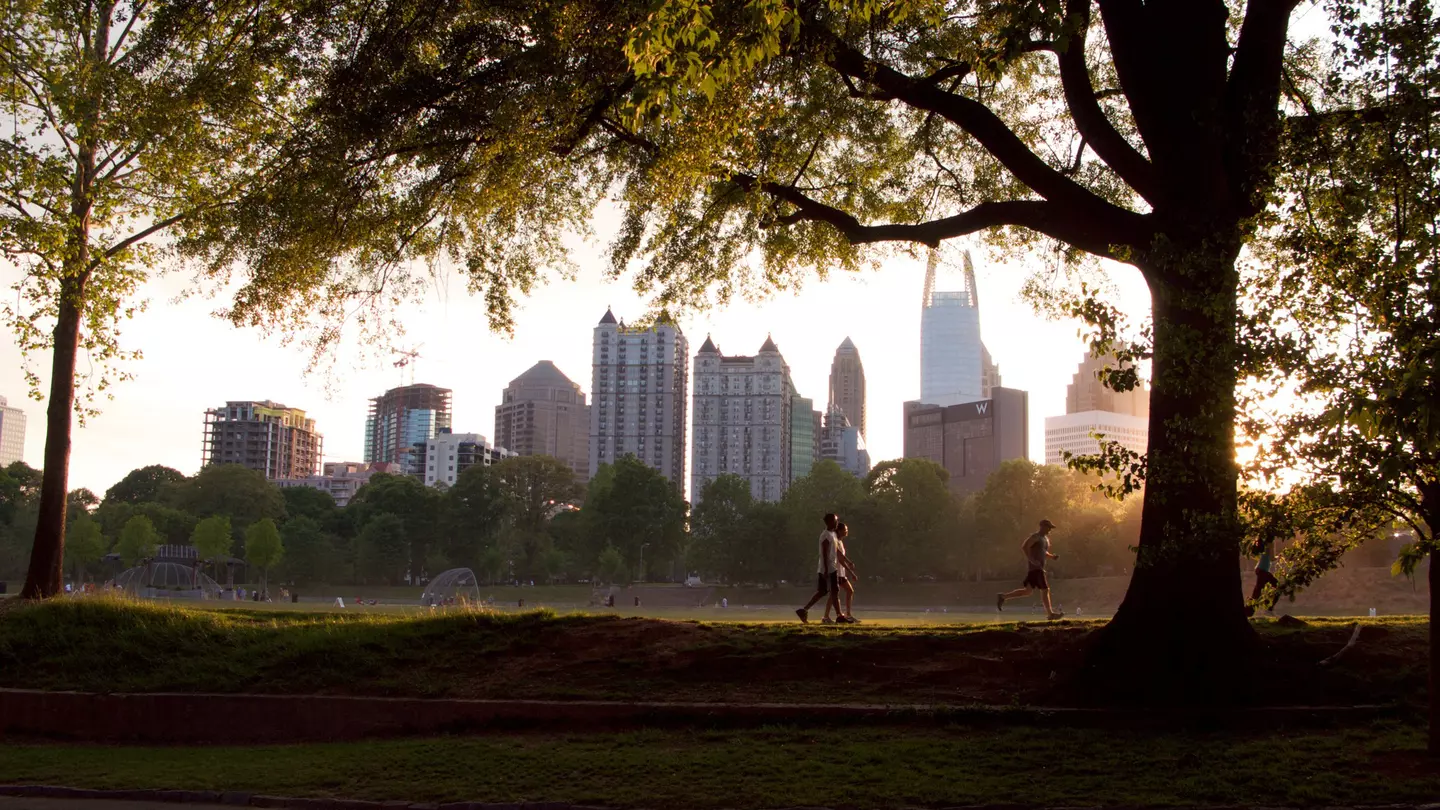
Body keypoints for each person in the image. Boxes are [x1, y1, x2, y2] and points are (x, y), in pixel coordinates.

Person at [996, 519, 1063, 620]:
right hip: (1036, 568)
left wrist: (1052, 557)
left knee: (1027, 591)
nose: (1050, 530)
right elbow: (1024, 547)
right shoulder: (1035, 537)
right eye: (1048, 527)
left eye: (1050, 527)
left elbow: (1043, 552)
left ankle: (1003, 597)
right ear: (1042, 526)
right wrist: (1031, 560)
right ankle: (1050, 614)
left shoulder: (1045, 539)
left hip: (1037, 568)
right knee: (1045, 589)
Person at [796, 513, 841, 624]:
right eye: (835, 520)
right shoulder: (825, 535)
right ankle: (840, 616)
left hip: (831, 566)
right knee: (834, 591)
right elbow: (824, 553)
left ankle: (804, 610)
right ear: (830, 522)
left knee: (823, 591)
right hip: (828, 567)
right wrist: (825, 569)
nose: (837, 522)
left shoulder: (833, 534)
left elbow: (835, 551)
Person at [833, 521, 859, 624]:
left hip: (841, 573)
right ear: (839, 531)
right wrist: (851, 572)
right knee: (834, 596)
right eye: (845, 530)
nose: (847, 531)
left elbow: (842, 558)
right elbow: (840, 559)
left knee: (843, 593)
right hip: (837, 572)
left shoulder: (840, 542)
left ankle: (847, 614)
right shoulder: (835, 542)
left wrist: (848, 563)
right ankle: (845, 615)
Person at [1246, 540, 1278, 617]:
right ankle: (1267, 609)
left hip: (1261, 570)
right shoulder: (1270, 544)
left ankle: (1249, 612)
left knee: (1258, 591)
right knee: (1258, 592)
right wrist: (1280, 556)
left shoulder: (1264, 543)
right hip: (1263, 571)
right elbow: (1272, 558)